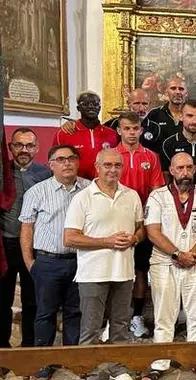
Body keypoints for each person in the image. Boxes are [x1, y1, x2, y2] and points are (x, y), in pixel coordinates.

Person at [144, 153, 196, 375]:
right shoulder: (157, 197)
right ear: (172, 170)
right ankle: (160, 363)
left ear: (194, 169)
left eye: (188, 168)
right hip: (165, 262)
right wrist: (177, 254)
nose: (184, 172)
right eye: (180, 168)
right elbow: (152, 231)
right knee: (164, 316)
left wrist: (192, 254)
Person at [63, 149, 144, 345]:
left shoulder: (131, 195)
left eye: (117, 165)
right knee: (91, 328)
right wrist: (106, 241)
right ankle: (90, 373)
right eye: (108, 165)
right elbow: (70, 238)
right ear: (97, 167)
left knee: (121, 326)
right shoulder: (83, 198)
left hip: (124, 272)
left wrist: (134, 238)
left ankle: (117, 368)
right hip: (93, 273)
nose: (113, 170)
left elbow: (141, 229)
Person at [19, 146, 88, 354]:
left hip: (80, 261)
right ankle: (42, 361)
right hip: (47, 263)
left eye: (71, 158)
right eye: (60, 159)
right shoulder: (37, 192)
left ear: (77, 162)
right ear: (51, 165)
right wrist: (30, 262)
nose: (66, 163)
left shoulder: (89, 189)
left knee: (75, 313)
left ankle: (71, 359)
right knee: (45, 314)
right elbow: (26, 228)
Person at [114, 112, 165, 338]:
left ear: (141, 130)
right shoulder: (112, 155)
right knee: (116, 270)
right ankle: (114, 318)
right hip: (115, 221)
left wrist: (147, 221)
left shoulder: (151, 157)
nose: (131, 133)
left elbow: (156, 191)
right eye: (127, 129)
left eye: (135, 129)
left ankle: (136, 315)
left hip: (142, 222)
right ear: (119, 130)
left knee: (141, 269)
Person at [0, 128, 51, 348]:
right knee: (3, 299)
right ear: (10, 147)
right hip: (6, 244)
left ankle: (29, 346)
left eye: (30, 146)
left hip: (34, 246)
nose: (24, 150)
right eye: (19, 145)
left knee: (32, 300)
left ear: (37, 149)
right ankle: (2, 346)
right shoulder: (3, 172)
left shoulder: (46, 174)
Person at [53, 92, 119, 179]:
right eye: (86, 104)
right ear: (78, 108)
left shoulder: (112, 134)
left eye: (95, 104)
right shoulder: (64, 134)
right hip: (74, 184)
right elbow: (55, 161)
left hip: (104, 183)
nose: (91, 107)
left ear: (100, 108)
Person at [145, 76, 189, 146]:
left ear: (186, 93)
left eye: (181, 89)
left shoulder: (193, 115)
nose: (177, 92)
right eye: (173, 88)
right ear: (166, 92)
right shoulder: (154, 114)